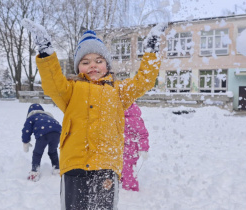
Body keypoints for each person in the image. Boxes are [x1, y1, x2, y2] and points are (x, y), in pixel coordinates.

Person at [22, 18, 162, 209]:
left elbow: (143, 81)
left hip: (106, 164)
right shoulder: (70, 90)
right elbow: (52, 82)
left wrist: (151, 52)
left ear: (107, 65)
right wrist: (46, 52)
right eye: (85, 62)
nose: (93, 65)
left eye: (99, 60)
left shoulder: (119, 91)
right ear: (78, 67)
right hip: (75, 164)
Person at [22, 103, 62, 182]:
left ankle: (35, 172)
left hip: (43, 133)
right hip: (57, 132)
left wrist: (25, 142)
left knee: (37, 153)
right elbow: (52, 124)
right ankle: (57, 169)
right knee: (53, 151)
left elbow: (26, 131)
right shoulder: (48, 116)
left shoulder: (31, 117)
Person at [121, 102, 149, 192]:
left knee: (127, 168)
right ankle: (123, 183)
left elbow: (143, 134)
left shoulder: (134, 119)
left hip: (131, 149)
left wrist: (144, 149)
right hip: (121, 148)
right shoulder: (119, 118)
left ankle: (131, 188)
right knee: (122, 167)